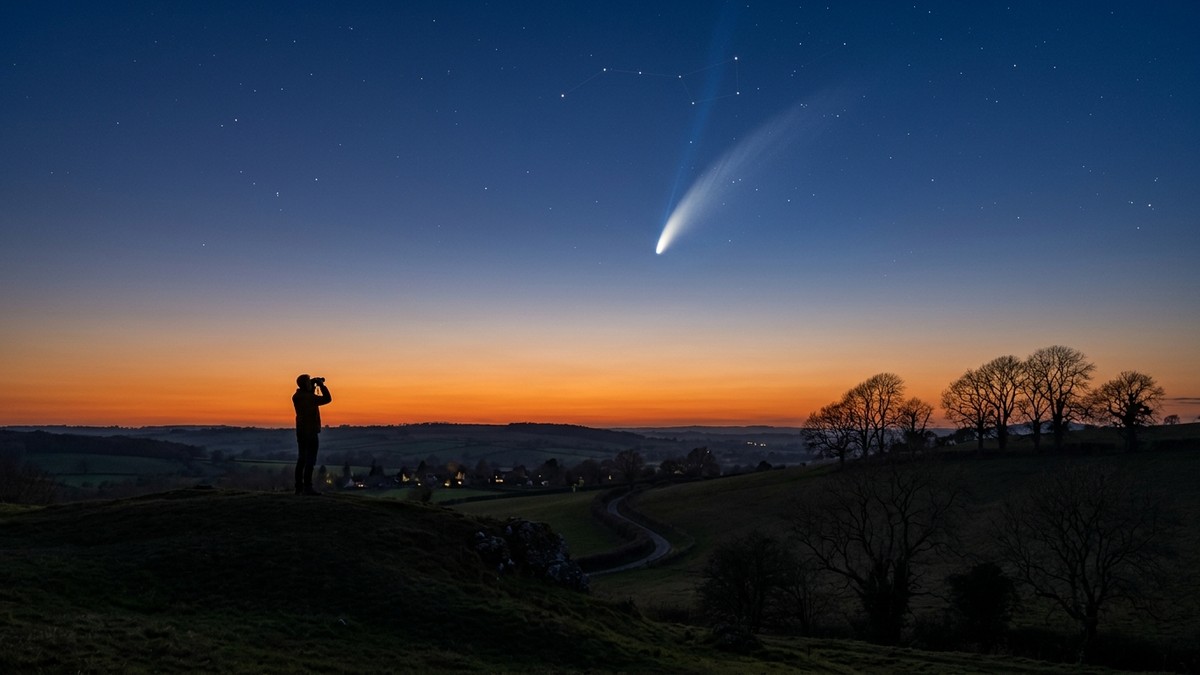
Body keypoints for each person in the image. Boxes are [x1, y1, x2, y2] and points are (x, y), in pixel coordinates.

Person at [293, 374, 332, 495]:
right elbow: (327, 399)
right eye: (309, 382)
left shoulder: (297, 396)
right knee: (310, 460)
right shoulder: (307, 397)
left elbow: (310, 398)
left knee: (301, 460)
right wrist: (321, 385)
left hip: (301, 432)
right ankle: (308, 488)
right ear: (306, 385)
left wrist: (313, 387)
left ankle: (299, 488)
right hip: (310, 433)